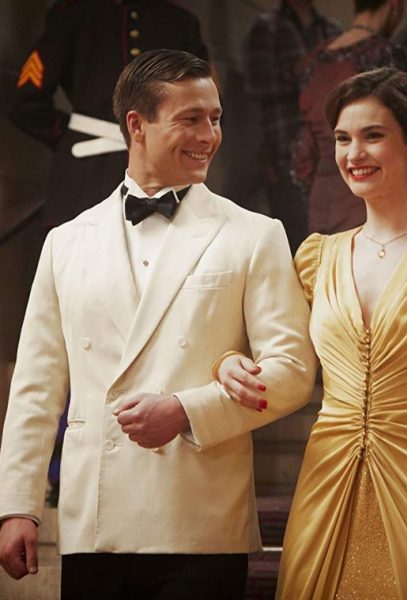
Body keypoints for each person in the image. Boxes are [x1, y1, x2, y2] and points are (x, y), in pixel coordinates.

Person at [0, 49, 316, 599]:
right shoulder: (65, 242)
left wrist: (186, 411)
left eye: (215, 118)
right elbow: (36, 386)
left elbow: (291, 372)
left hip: (200, 519)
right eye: (191, 119)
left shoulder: (254, 234)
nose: (209, 136)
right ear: (137, 125)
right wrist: (18, 506)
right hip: (94, 520)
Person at [217, 68, 407, 599]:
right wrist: (228, 360)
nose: (353, 153)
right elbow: (275, 354)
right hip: (325, 491)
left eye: (373, 135)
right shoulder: (318, 257)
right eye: (342, 138)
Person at [10, 0, 210, 228]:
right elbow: (25, 102)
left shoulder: (181, 22)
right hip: (86, 179)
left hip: (163, 179)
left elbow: (208, 107)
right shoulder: (73, 12)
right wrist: (71, 136)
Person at [294, 0, 407, 235]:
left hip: (321, 202)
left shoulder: (315, 60)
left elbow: (303, 155)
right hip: (368, 198)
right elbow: (404, 131)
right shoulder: (382, 54)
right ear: (394, 5)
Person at [243, 0, 340, 252]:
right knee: (298, 239)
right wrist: (303, 74)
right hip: (285, 149)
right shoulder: (267, 27)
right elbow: (256, 84)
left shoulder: (330, 29)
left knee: (337, 235)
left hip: (331, 149)